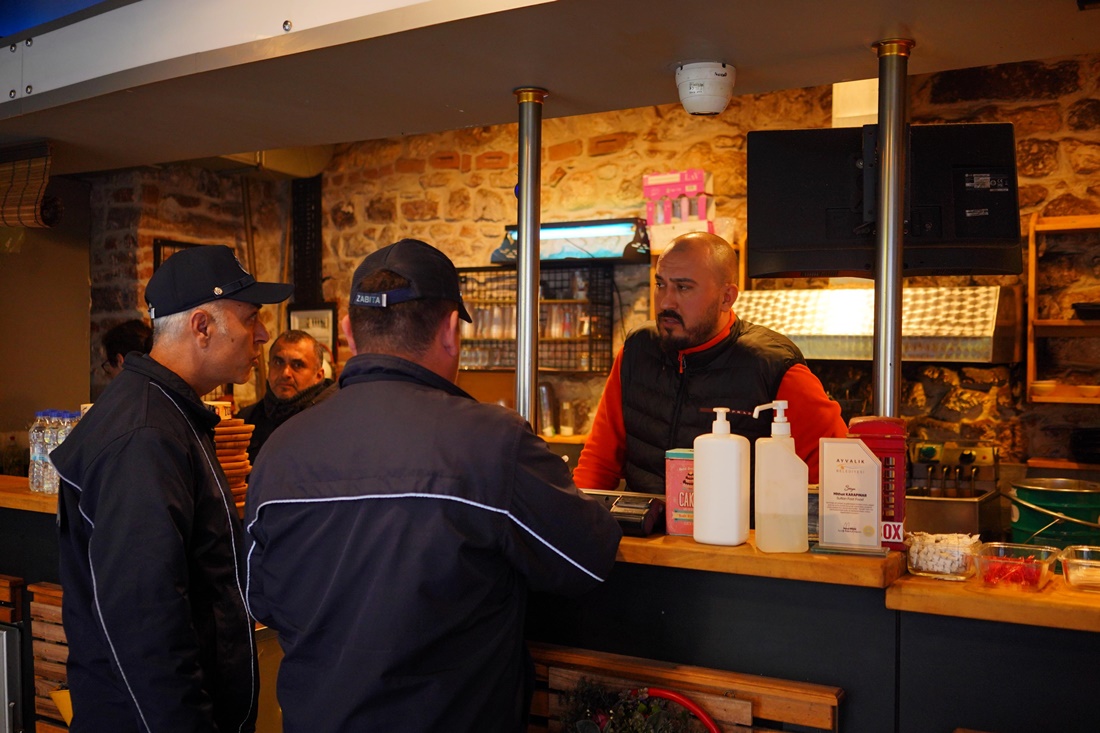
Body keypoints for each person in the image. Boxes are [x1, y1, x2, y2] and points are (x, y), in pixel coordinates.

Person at [244, 238, 621, 732]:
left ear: (347, 334)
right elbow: (587, 558)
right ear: (450, 330)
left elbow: (260, 598)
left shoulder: (278, 450)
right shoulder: (492, 441)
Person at [51, 244, 293, 733]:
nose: (263, 336)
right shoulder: (145, 434)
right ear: (201, 327)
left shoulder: (167, 412)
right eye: (251, 319)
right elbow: (146, 621)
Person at [573, 231, 848, 496]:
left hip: (740, 539)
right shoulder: (636, 350)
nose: (666, 301)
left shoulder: (774, 366)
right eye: (660, 284)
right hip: (647, 535)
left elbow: (838, 474)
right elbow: (598, 462)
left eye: (683, 287)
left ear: (726, 297)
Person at [238, 329, 335, 462]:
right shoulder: (246, 422)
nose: (285, 373)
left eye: (297, 365)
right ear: (269, 367)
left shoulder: (334, 421)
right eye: (278, 362)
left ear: (319, 375)